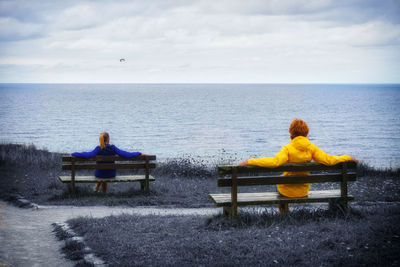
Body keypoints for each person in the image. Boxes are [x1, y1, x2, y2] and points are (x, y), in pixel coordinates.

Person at [238, 119, 357, 213]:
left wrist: (250, 161)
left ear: (291, 133)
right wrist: (347, 157)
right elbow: (329, 160)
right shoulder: (311, 148)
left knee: (279, 181)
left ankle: (284, 213)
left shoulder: (287, 148)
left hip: (287, 192)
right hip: (303, 191)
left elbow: (275, 162)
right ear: (306, 132)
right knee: (283, 179)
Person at [72, 132, 147, 193]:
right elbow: (126, 154)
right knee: (106, 171)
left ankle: (97, 189)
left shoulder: (98, 149)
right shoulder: (113, 148)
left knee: (102, 172)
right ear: (108, 139)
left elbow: (88, 155)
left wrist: (74, 154)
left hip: (99, 174)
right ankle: (101, 191)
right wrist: (139, 153)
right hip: (111, 174)